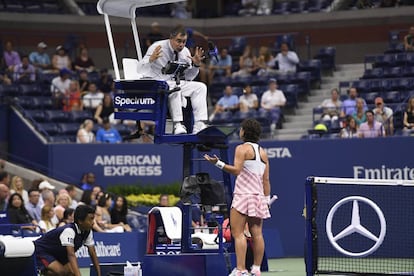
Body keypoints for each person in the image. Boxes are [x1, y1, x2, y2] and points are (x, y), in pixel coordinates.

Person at [204, 119, 270, 276]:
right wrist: (266, 200)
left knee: (238, 233)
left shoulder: (242, 149)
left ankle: (240, 270)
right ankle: (256, 268)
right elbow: (266, 180)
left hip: (242, 196)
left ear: (245, 131)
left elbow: (236, 170)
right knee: (257, 234)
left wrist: (217, 163)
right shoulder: (263, 152)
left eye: (241, 129)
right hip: (258, 197)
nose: (240, 131)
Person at [137, 25, 208, 135]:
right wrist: (150, 60)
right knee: (175, 87)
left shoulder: (185, 52)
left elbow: (189, 77)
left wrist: (196, 65)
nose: (181, 45)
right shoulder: (157, 47)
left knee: (200, 87)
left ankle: (199, 124)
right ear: (171, 38)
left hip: (174, 83)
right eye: (178, 41)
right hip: (156, 84)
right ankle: (177, 124)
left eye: (184, 42)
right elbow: (140, 69)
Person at [34, 205, 101, 276]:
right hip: (42, 251)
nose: (93, 222)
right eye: (90, 219)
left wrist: (99, 274)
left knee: (71, 273)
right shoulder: (69, 231)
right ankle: (43, 271)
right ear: (80, 221)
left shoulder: (87, 231)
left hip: (59, 253)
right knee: (60, 272)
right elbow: (71, 255)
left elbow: (92, 253)